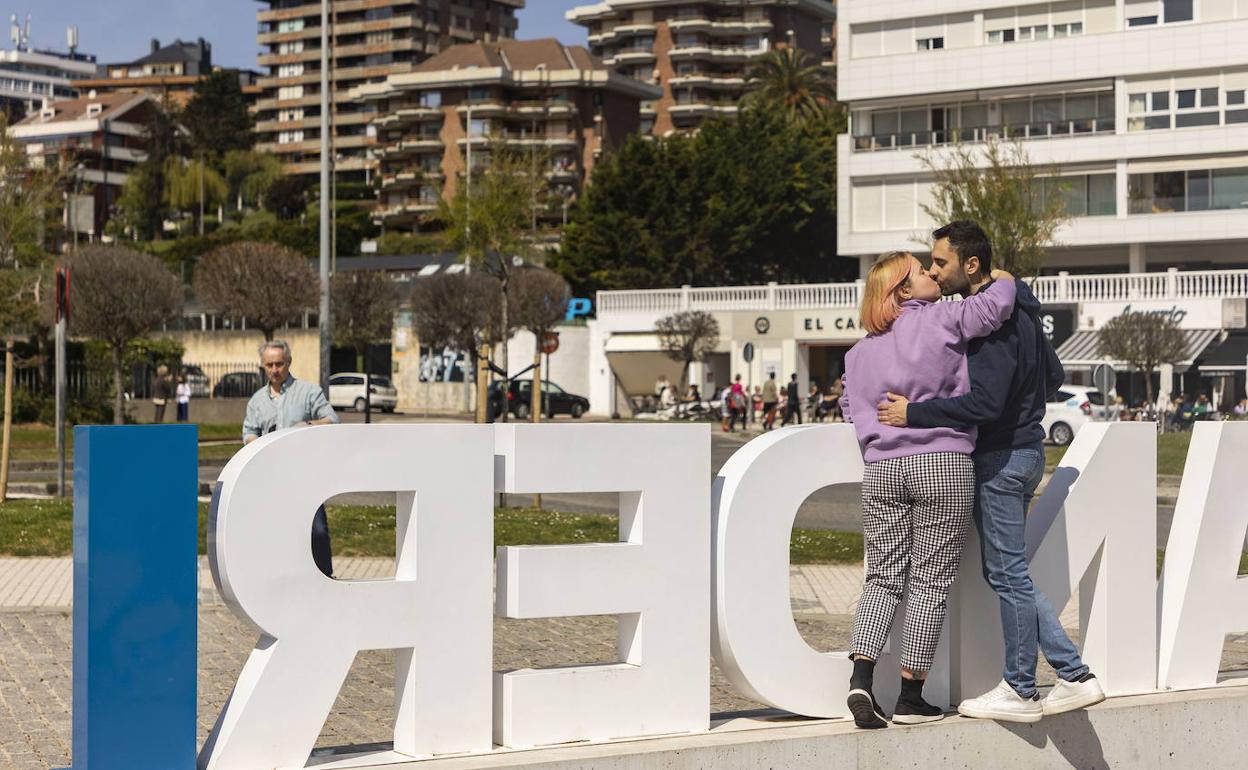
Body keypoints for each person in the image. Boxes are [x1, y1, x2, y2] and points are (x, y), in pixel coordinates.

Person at [877, 220, 1105, 724]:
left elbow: (983, 402)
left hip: (1000, 459)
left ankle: (1037, 685)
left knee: (1007, 575)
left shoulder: (990, 328)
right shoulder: (1021, 309)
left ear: (970, 264)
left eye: (940, 262)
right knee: (1006, 572)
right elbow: (1054, 376)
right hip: (1025, 454)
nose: (934, 271)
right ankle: (1067, 676)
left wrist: (914, 413)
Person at [840, 249, 1017, 729]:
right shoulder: (942, 318)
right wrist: (1000, 273)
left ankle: (861, 677)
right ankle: (911, 695)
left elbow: (847, 408)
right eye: (921, 271)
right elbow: (995, 305)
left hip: (881, 469)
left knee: (881, 576)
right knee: (930, 581)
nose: (932, 274)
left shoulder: (857, 354)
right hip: (941, 462)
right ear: (903, 289)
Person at [243, 340, 340, 577]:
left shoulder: (308, 392)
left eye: (279, 364)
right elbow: (249, 432)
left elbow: (332, 420)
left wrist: (306, 425)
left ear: (289, 363)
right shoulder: (257, 400)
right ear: (263, 366)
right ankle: (279, 579)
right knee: (275, 532)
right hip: (272, 477)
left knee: (316, 530)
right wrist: (260, 447)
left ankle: (325, 578)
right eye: (269, 365)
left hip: (305, 476)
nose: (275, 370)